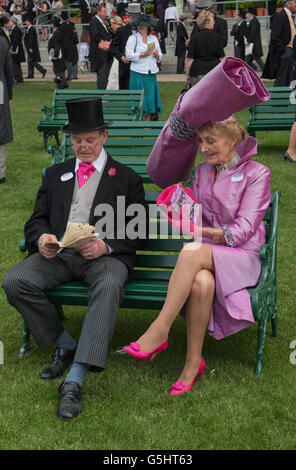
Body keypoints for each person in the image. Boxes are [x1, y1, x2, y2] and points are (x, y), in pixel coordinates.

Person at [2, 97, 146, 419]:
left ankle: (75, 379)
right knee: (15, 281)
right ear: (70, 139)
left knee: (109, 286)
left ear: (104, 137)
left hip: (105, 258)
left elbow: (138, 232)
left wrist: (106, 245)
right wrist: (42, 239)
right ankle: (64, 342)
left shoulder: (125, 178)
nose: (83, 147)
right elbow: (35, 220)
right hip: (61, 255)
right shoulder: (56, 174)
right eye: (77, 140)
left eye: (90, 140)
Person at [122, 116, 271, 396]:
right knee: (202, 282)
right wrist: (178, 205)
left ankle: (159, 329)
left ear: (232, 141)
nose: (203, 148)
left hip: (241, 256)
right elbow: (197, 212)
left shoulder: (257, 173)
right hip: (206, 255)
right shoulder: (203, 171)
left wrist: (200, 231)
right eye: (201, 141)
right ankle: (193, 363)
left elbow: (243, 231)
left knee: (191, 251)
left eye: (211, 141)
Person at [125, 14, 162, 121]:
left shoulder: (153, 38)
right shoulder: (133, 38)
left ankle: (147, 127)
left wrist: (157, 55)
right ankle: (136, 125)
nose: (141, 26)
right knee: (138, 102)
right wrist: (142, 54)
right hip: (137, 74)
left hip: (151, 75)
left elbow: (160, 54)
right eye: (139, 25)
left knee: (149, 102)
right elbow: (128, 55)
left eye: (144, 25)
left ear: (148, 26)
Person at [186, 10, 224, 86]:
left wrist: (187, 75)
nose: (214, 22)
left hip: (197, 72)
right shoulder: (217, 37)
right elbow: (222, 59)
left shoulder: (194, 38)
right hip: (214, 72)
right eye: (213, 21)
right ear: (209, 22)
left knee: (198, 97)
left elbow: (190, 59)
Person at [262, 0, 296, 86]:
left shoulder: (291, 16)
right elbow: (274, 37)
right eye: (295, 2)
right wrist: (285, 51)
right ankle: (278, 98)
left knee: (289, 80)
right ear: (288, 4)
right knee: (282, 80)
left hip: (291, 52)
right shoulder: (280, 16)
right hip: (285, 53)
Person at [109, 3, 140, 90]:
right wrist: (121, 57)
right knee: (127, 89)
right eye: (133, 16)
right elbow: (113, 47)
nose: (135, 19)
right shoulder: (122, 31)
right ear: (128, 16)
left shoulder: (143, 31)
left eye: (137, 16)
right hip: (126, 66)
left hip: (140, 66)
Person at [89, 4, 113, 89]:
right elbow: (96, 36)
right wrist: (106, 44)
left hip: (106, 54)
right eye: (104, 11)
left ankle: (104, 95)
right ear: (98, 12)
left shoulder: (103, 22)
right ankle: (101, 95)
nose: (105, 13)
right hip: (99, 55)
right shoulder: (94, 22)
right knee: (102, 77)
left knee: (105, 76)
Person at [0, 35, 13, 184]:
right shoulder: (3, 41)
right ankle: (1, 171)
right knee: (1, 127)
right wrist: (10, 92)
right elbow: (9, 70)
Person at [48, 16, 68, 89]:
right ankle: (63, 83)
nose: (51, 25)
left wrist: (55, 55)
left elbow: (57, 45)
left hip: (57, 54)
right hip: (58, 53)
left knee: (58, 70)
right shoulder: (58, 32)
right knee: (58, 70)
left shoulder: (57, 33)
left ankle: (62, 84)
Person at [60, 11, 79, 81]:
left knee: (68, 62)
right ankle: (71, 75)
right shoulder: (71, 25)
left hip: (65, 46)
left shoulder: (62, 26)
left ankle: (69, 76)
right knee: (71, 61)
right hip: (71, 46)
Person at [107, 15, 125, 90]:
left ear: (116, 24)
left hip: (119, 58)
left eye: (112, 24)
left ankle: (107, 96)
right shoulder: (123, 31)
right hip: (119, 58)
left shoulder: (120, 32)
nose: (111, 27)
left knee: (112, 78)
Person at [245, 8, 265, 73]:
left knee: (257, 59)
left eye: (247, 14)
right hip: (253, 44)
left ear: (251, 14)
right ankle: (247, 69)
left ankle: (265, 70)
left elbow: (252, 33)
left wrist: (248, 41)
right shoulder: (253, 20)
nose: (246, 15)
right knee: (248, 59)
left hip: (254, 44)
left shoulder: (254, 21)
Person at [9, 15, 25, 83]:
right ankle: (19, 78)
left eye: (10, 21)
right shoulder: (15, 29)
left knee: (15, 64)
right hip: (17, 48)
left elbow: (15, 41)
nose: (9, 22)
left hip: (16, 49)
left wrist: (13, 50)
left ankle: (17, 78)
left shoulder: (15, 29)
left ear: (13, 22)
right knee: (17, 64)